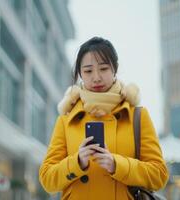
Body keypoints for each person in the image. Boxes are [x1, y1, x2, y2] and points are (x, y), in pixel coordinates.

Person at [39, 37, 168, 200]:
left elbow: (159, 175)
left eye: (104, 68)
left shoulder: (137, 116)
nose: (96, 77)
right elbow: (47, 180)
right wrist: (77, 162)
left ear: (115, 69)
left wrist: (116, 165)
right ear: (80, 74)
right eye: (88, 71)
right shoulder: (67, 120)